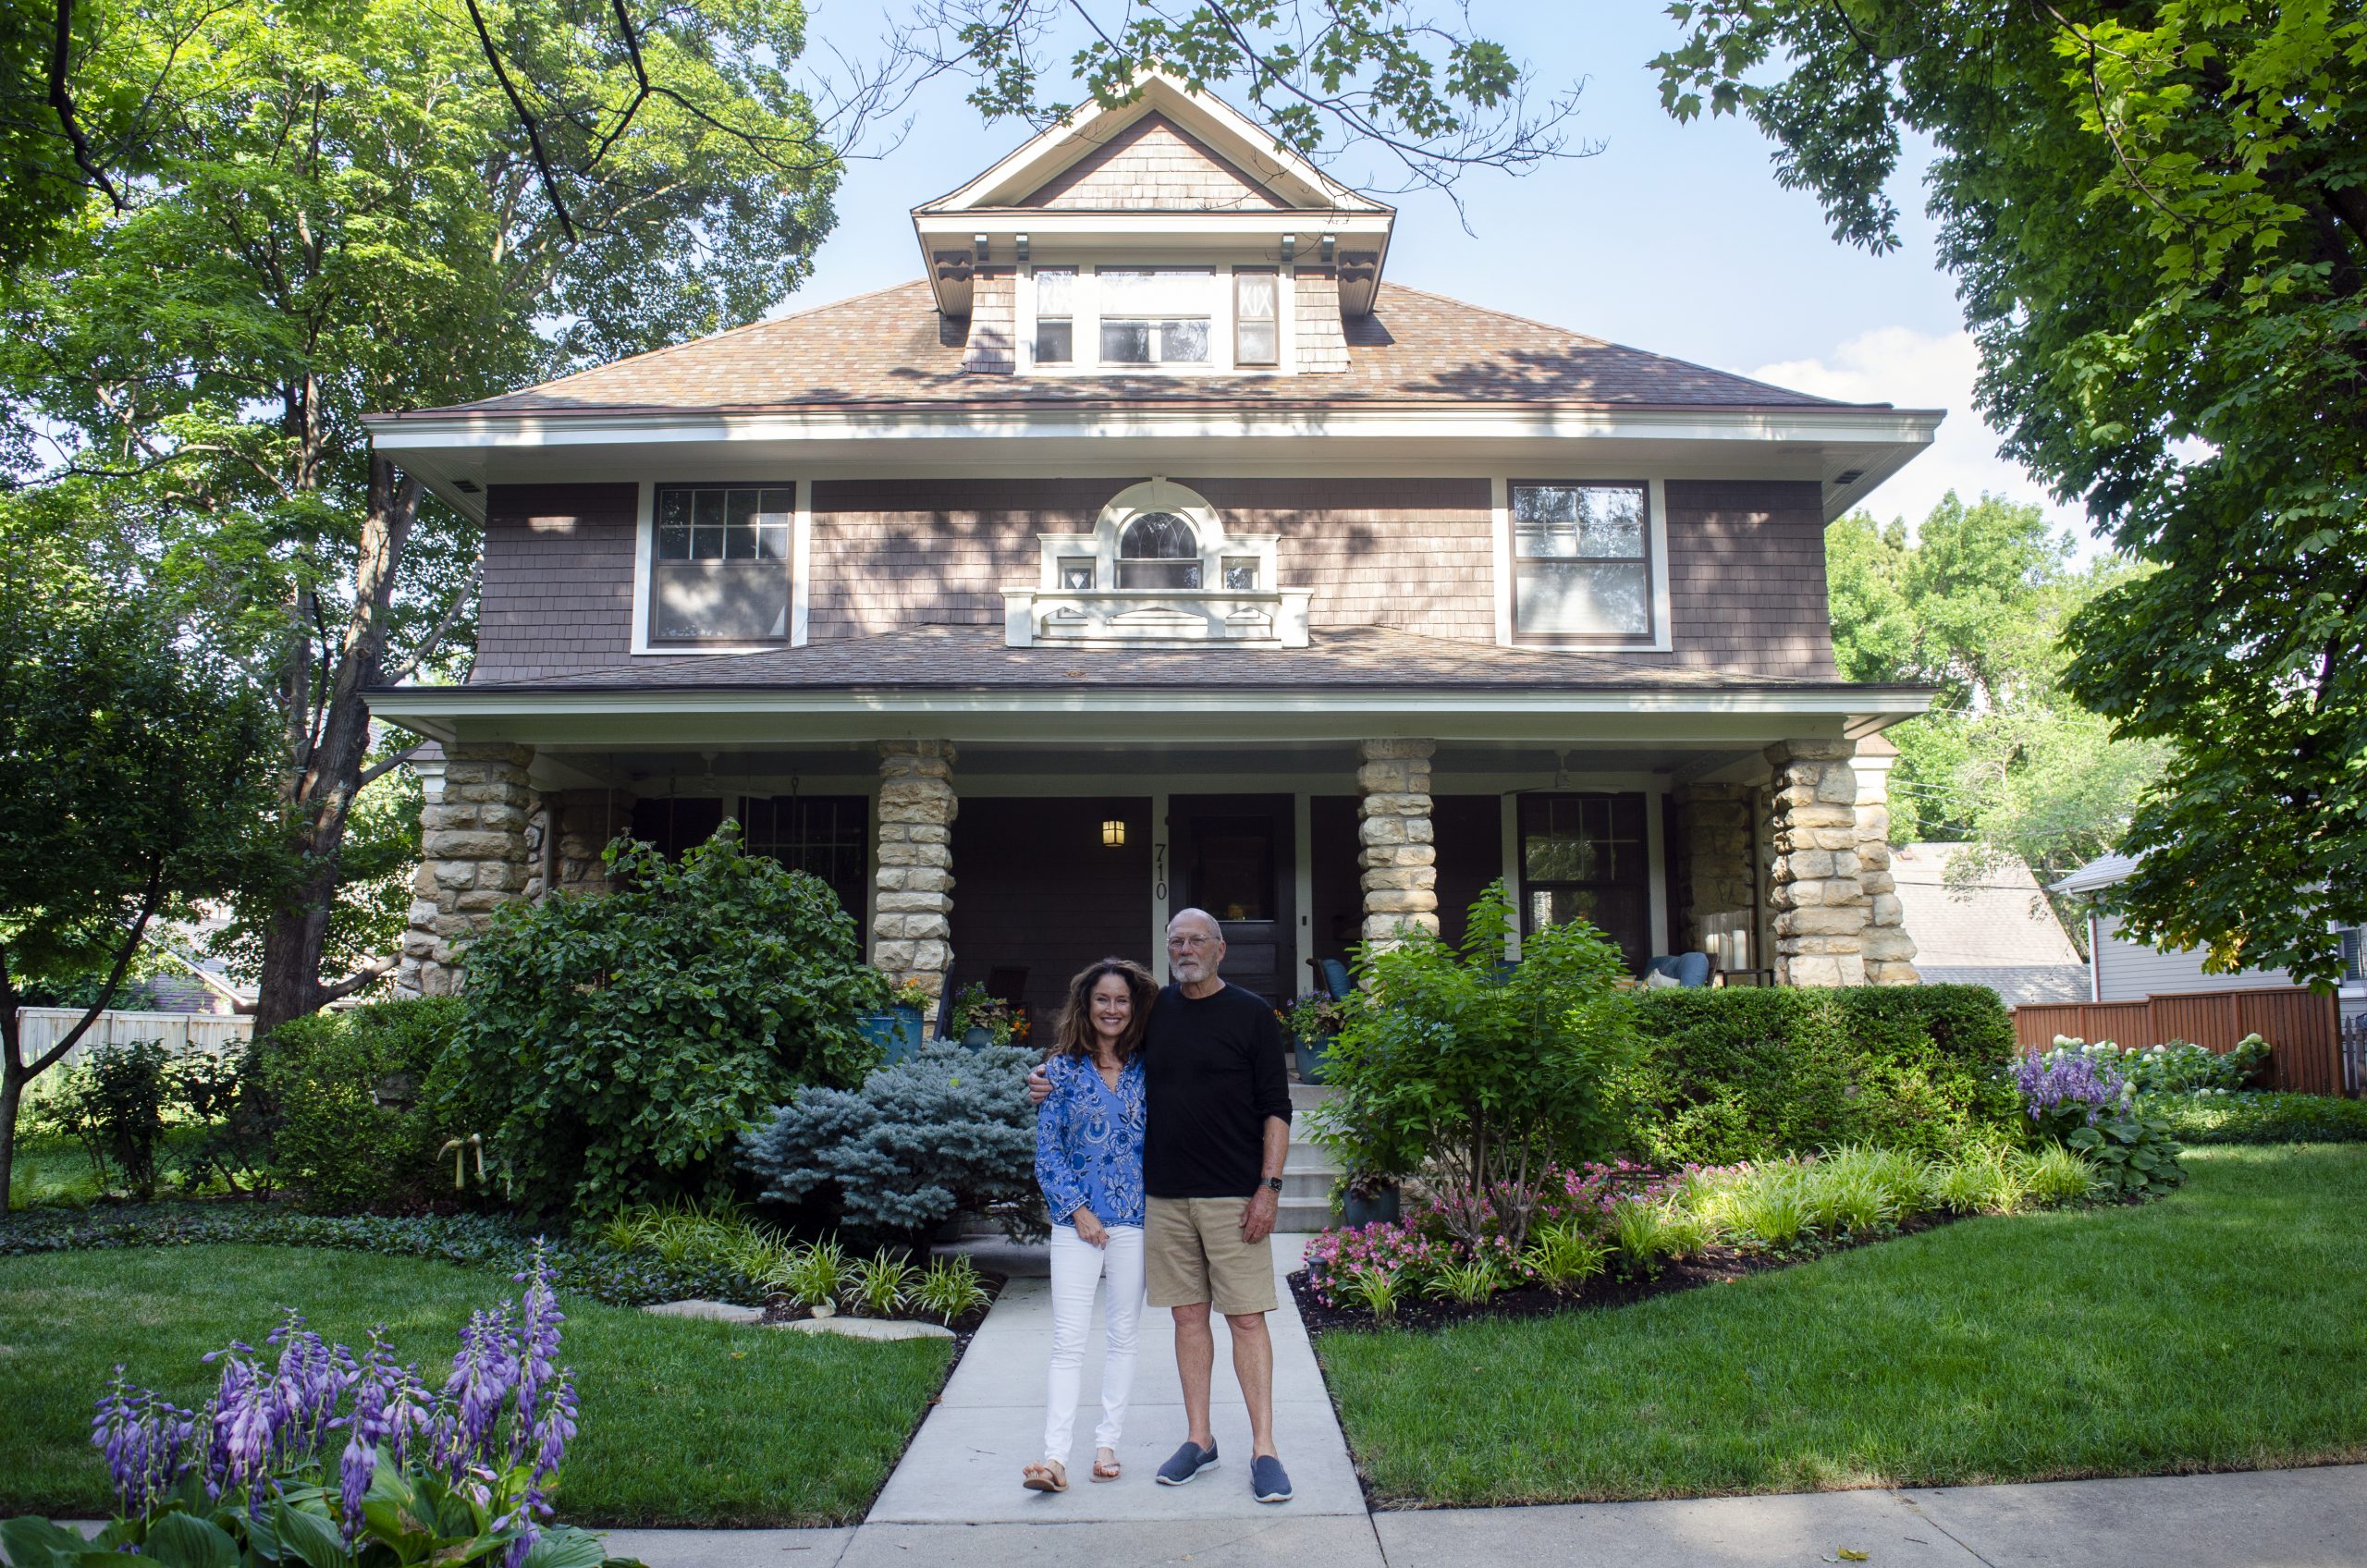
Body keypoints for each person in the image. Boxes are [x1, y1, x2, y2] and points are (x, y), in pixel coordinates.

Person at [1029, 908, 1296, 1505]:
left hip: (1235, 1196)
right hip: (1166, 1201)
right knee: (1187, 1320)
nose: (1185, 948)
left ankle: (1264, 1449)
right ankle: (1199, 1439)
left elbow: (1277, 1108)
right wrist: (1042, 1075)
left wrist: (1268, 1188)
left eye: (1197, 939)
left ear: (1220, 948)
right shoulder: (1154, 1016)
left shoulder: (1253, 1016)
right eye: (1175, 940)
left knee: (1247, 1319)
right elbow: (1094, 1047)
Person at [1024, 957, 1156, 1495]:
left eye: (1121, 1000)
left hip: (1136, 1221)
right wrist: (1078, 1210)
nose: (1112, 1009)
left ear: (1134, 1007)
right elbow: (1047, 1152)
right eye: (1102, 999)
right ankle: (1054, 1459)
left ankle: (1108, 1443)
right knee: (1068, 1341)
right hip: (1076, 1222)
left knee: (1123, 1337)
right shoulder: (1058, 1071)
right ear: (1086, 1005)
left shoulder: (1151, 1067)